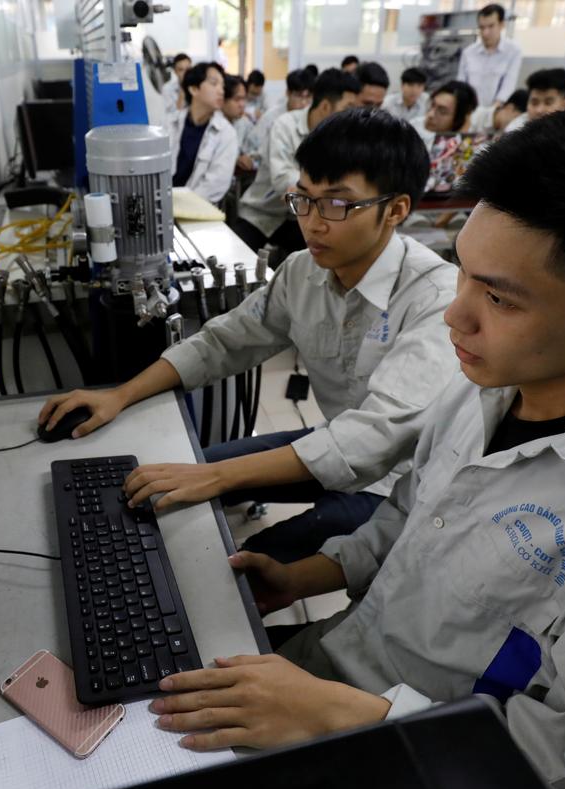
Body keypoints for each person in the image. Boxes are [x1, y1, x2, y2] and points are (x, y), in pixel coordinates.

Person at [144, 96, 565, 789]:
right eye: (462, 271)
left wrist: (333, 717)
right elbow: (407, 521)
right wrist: (303, 575)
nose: (454, 314)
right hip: (333, 674)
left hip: (421, 772)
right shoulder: (485, 387)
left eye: (500, 300)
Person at [40, 108, 457, 563]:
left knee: (249, 561)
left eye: (337, 204)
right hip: (330, 446)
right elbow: (224, 341)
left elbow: (375, 437)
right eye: (304, 199)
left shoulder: (435, 299)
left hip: (403, 486)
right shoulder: (303, 272)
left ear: (396, 210)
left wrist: (220, 478)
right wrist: (120, 395)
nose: (313, 223)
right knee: (171, 480)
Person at [232, 69, 361, 254]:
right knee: (237, 263)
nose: (352, 116)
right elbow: (282, 178)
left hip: (301, 220)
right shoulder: (285, 125)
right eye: (348, 108)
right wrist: (314, 192)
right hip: (261, 213)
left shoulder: (342, 138)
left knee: (326, 261)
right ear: (325, 106)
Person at [167, 62, 238, 205]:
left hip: (197, 211)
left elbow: (215, 185)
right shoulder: (169, 123)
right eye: (214, 83)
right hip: (162, 205)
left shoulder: (226, 133)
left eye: (222, 86)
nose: (221, 91)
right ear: (193, 89)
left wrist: (177, 206)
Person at [457, 4, 522, 107]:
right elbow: (461, 85)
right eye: (482, 28)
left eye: (491, 26)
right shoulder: (468, 53)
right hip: (469, 111)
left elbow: (508, 86)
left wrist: (490, 114)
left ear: (501, 25)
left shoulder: (513, 51)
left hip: (495, 112)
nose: (485, 33)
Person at [246, 68, 316, 163]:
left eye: (308, 97)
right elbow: (252, 145)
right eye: (299, 96)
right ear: (288, 93)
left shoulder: (312, 119)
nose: (304, 103)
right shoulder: (271, 117)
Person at [421, 80, 478, 147]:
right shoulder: (416, 127)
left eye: (442, 111)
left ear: (461, 118)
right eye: (432, 105)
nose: (430, 114)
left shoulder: (474, 144)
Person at [222, 74, 258, 174]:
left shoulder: (243, 122)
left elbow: (255, 148)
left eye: (244, 99)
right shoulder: (211, 124)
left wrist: (249, 159)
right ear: (222, 100)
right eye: (237, 99)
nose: (242, 105)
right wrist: (235, 160)